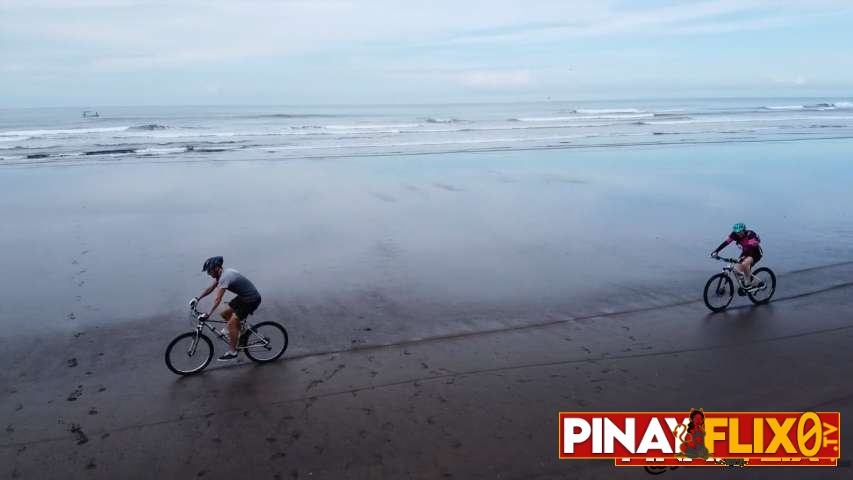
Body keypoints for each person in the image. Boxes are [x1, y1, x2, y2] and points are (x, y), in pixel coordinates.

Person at [190, 256, 262, 361]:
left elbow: (218, 299)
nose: (208, 274)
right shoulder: (222, 274)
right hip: (244, 297)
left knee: (232, 323)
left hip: (252, 300)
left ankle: (233, 352)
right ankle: (242, 331)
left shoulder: (225, 277)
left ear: (216, 268)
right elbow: (211, 288)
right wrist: (198, 298)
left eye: (209, 271)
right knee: (224, 312)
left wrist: (207, 314)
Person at [710, 223, 763, 289]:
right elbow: (726, 243)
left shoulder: (751, 234)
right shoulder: (734, 234)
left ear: (744, 230)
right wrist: (716, 251)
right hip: (745, 252)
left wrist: (743, 257)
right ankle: (745, 280)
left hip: (755, 253)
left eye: (741, 232)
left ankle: (748, 284)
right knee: (737, 268)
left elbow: (750, 247)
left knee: (745, 264)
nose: (739, 234)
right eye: (737, 232)